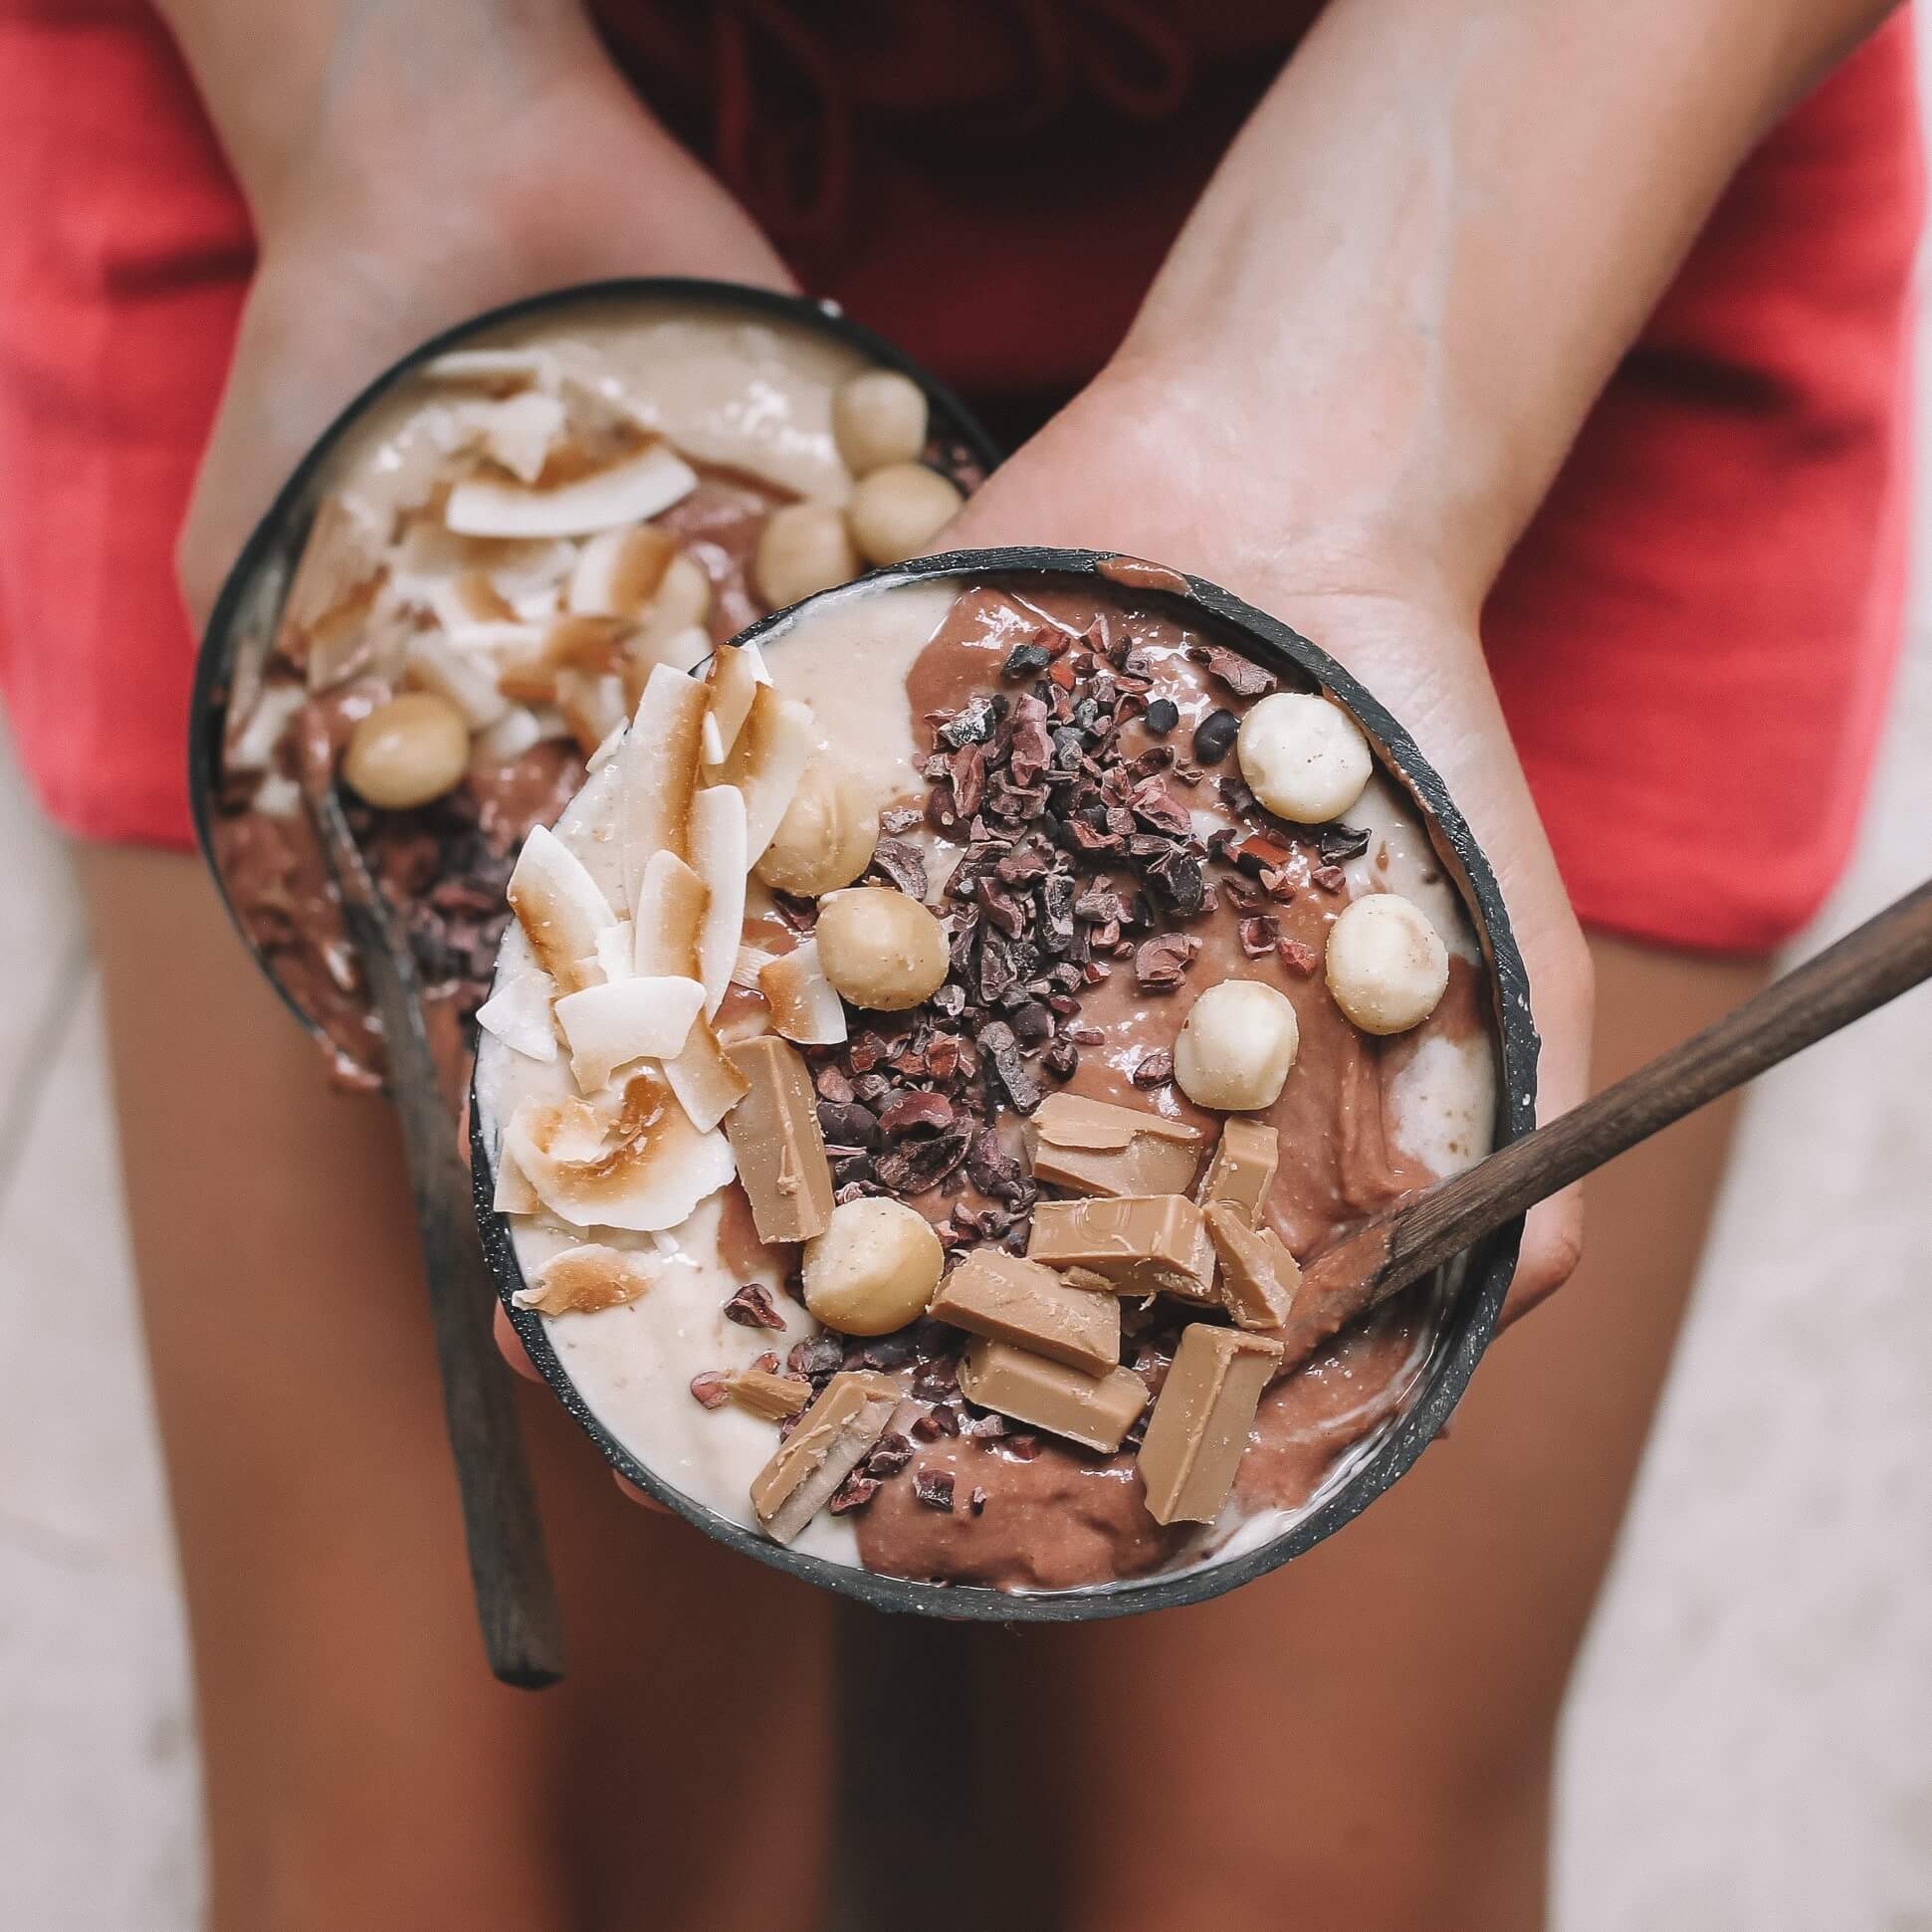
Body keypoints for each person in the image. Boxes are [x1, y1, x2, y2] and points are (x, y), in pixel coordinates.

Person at [0, 1, 1915, 1925]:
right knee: (421, 1877)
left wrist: (1361, 382)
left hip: (1556, 154)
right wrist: (386, 116)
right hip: (429, 249)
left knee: (1304, 1884)